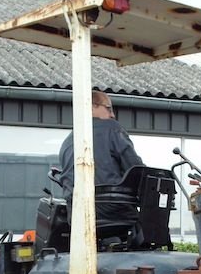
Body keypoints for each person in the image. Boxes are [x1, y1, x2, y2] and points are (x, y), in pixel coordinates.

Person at [58, 90, 144, 225]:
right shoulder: (111, 129)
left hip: (76, 214)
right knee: (147, 226)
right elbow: (135, 168)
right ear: (92, 106)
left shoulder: (67, 142)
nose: (112, 115)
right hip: (111, 210)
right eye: (108, 108)